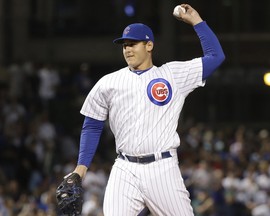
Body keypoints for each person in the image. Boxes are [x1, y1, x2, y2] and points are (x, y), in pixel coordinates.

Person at [67, 3, 225, 216]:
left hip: (163, 168)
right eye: (124, 45)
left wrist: (197, 21)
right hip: (124, 168)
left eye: (133, 44)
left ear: (149, 45)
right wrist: (81, 168)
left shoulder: (172, 75)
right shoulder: (109, 82)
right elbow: (92, 125)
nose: (128, 49)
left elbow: (216, 57)